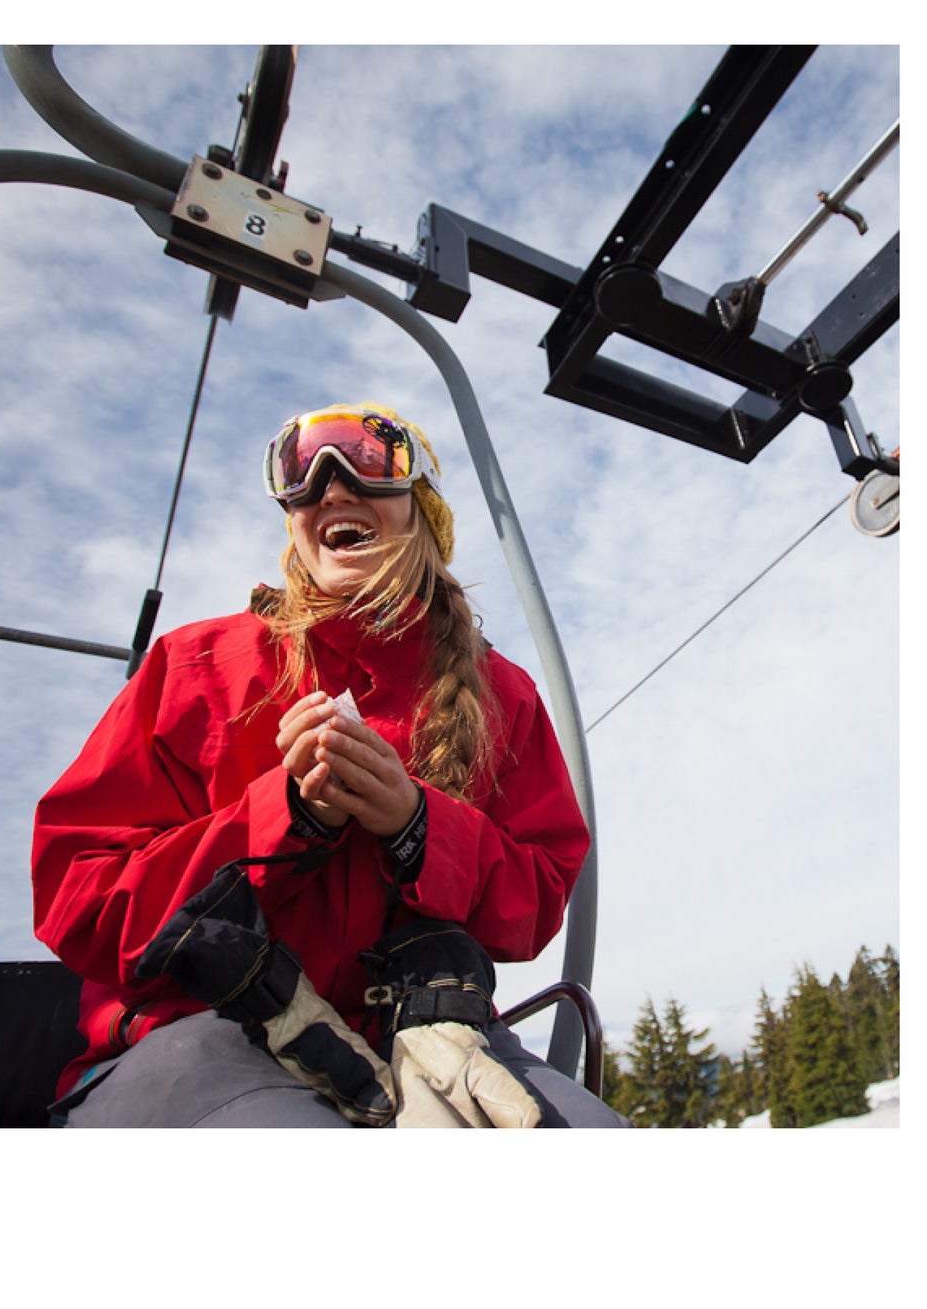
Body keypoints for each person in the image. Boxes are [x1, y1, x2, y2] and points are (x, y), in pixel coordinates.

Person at [31, 402, 630, 1127]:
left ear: (421, 509)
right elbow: (79, 895)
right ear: (292, 521)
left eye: (372, 463)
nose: (334, 489)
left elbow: (536, 899)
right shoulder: (197, 668)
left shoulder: (501, 696)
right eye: (302, 477)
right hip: (204, 1031)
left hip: (428, 1034)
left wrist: (417, 824)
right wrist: (288, 815)